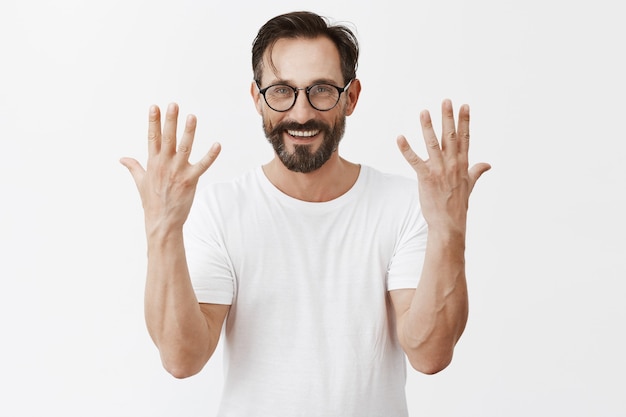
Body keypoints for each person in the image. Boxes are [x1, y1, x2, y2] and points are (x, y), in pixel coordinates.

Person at [121, 10, 490, 417]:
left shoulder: (404, 205)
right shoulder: (222, 208)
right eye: (281, 90)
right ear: (256, 98)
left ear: (350, 97)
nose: (301, 113)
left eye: (321, 90)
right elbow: (181, 359)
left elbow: (431, 353)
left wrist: (449, 230)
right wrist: (162, 228)